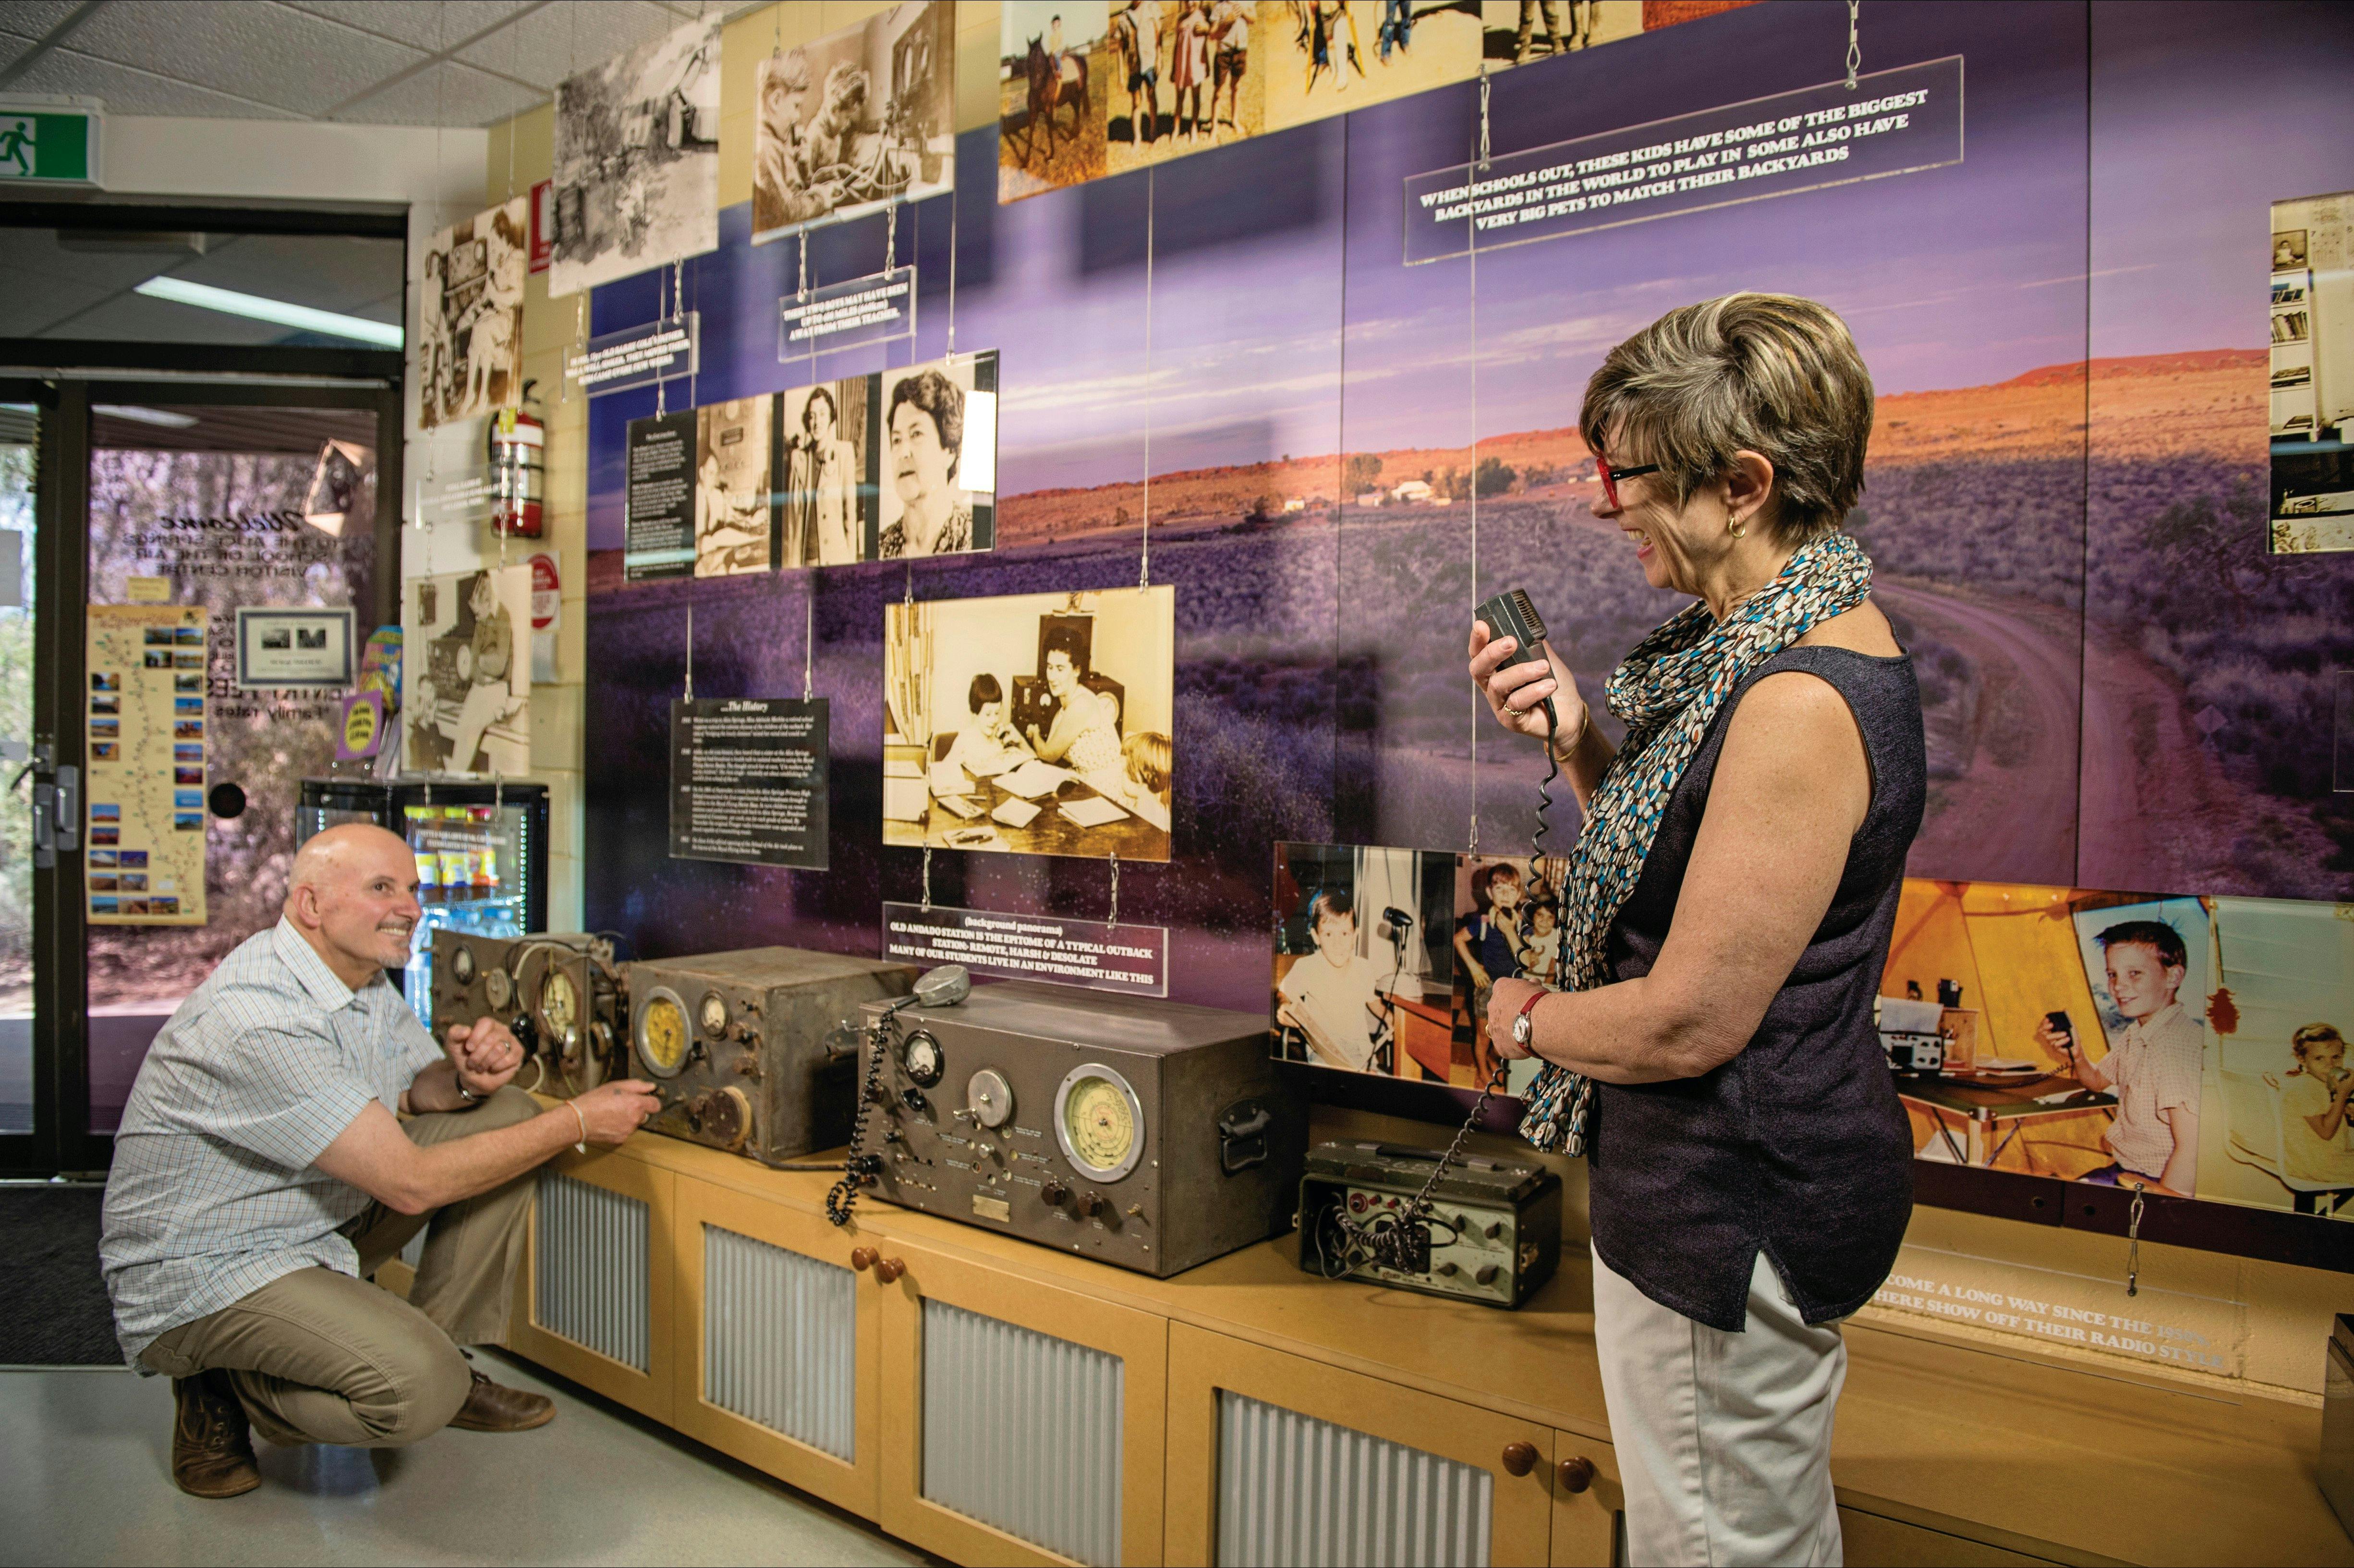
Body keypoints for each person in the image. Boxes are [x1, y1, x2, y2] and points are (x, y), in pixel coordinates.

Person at [1469, 293, 1921, 1566]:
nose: (1604, 506)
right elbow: (1687, 871)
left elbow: (1686, 1016)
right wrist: (1573, 738)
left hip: (1727, 1205)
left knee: (1718, 1549)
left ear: (1741, 484)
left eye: (1626, 477)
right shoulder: (1756, 653)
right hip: (1726, 1190)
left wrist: (1525, 1019)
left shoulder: (1790, 701)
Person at [101, 825, 660, 1498]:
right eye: (382, 888)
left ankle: (443, 1354)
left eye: (414, 889)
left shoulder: (359, 979)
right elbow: (410, 1181)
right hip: (206, 1270)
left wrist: (465, 1081)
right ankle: (224, 1378)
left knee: (507, 1113)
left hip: (304, 1226)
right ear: (312, 906)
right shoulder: (259, 1014)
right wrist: (576, 1120)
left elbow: (409, 1089)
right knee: (414, 1392)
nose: (412, 907)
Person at [2037, 920, 2202, 1195]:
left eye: (2135, 973)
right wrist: (2077, 1053)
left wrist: (2160, 1217)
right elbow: (2097, 1081)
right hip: (2127, 1169)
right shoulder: (2137, 1033)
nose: (2118, 987)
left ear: (2173, 977)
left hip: (2159, 1181)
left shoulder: (2177, 1046)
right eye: (2113, 975)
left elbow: (2191, 1150)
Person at [1277, 889, 1388, 1071]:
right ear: (1316, 937)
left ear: (1355, 936)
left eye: (1345, 934)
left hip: (1362, 1053)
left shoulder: (1364, 968)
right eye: (1329, 935)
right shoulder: (1307, 967)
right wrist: (1284, 1007)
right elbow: (1284, 994)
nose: (1338, 944)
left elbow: (1373, 1000)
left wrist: (1390, 1018)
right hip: (1323, 1053)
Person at [877, 368, 973, 559]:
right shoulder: (881, 547)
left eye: (916, 434)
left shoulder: (971, 537)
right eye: (897, 440)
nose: (903, 452)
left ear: (949, 451)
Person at [1024, 625, 1123, 774]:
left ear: (1077, 670)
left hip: (1104, 787)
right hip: (1083, 783)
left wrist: (1035, 734)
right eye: (1050, 668)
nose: (1052, 677)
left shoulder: (1082, 705)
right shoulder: (1062, 712)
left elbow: (1048, 756)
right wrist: (1019, 741)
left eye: (1060, 669)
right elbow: (1045, 759)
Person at [2266, 1023, 2354, 1185]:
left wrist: (2344, 1108)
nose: (2331, 1066)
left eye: (2336, 1057)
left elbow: (2319, 1116)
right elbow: (2326, 1132)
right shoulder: (2306, 1088)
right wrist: (2343, 1094)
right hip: (2318, 1165)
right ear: (2302, 1059)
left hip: (2314, 1160)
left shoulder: (2311, 1084)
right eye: (2319, 1058)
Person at [941, 673, 1031, 779]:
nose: (994, 720)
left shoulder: (1000, 737)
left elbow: (1033, 762)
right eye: (988, 714)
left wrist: (1018, 744)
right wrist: (962, 760)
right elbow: (942, 773)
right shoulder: (965, 740)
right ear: (976, 712)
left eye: (997, 713)